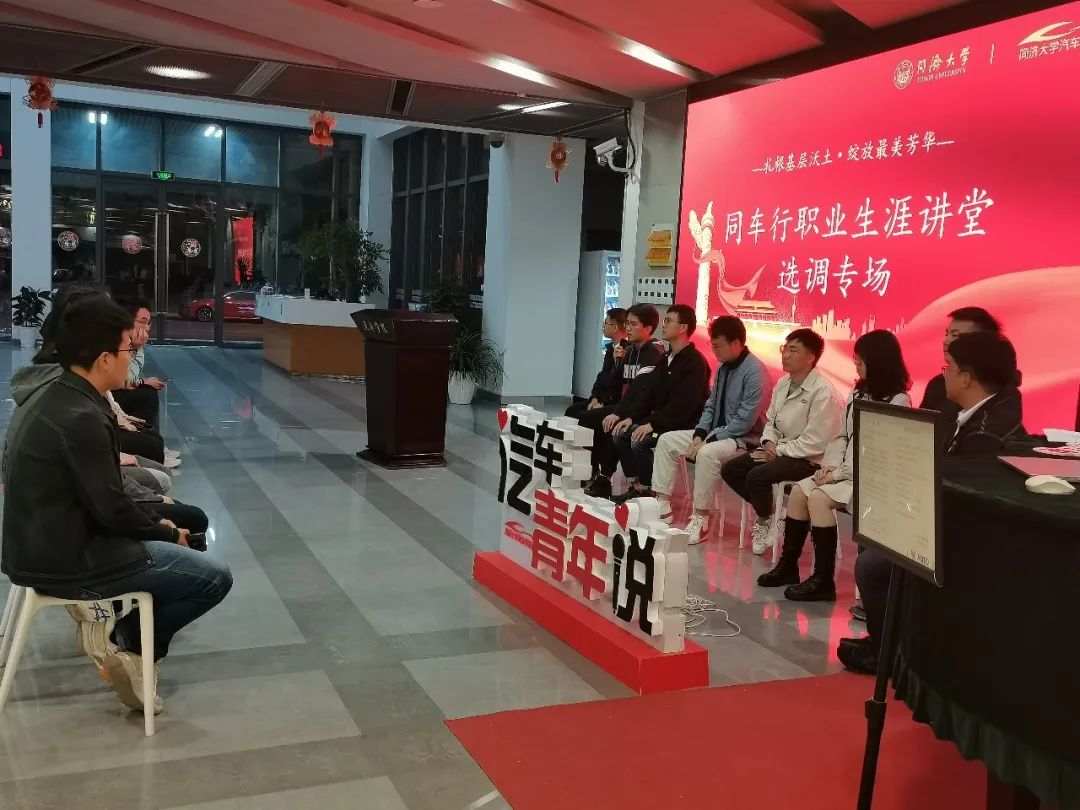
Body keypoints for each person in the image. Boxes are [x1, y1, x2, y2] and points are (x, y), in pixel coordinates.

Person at [1, 296, 231, 712]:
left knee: (181, 539)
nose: (132, 355)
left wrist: (159, 523)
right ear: (104, 358)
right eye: (128, 347)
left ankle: (131, 645)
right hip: (70, 559)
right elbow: (111, 508)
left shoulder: (52, 394)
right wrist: (166, 533)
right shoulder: (82, 416)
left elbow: (105, 499)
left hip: (37, 546)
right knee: (214, 578)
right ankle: (127, 643)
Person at [839, 330, 1028, 674]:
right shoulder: (969, 415)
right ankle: (888, 643)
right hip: (938, 520)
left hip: (959, 539)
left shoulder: (986, 432)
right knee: (874, 541)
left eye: (948, 367)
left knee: (872, 565)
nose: (944, 374)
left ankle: (890, 654)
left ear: (966, 377)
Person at [758, 330, 912, 601]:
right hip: (843, 472)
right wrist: (829, 467)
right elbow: (842, 436)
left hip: (871, 478)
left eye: (860, 358)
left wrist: (837, 474)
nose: (856, 363)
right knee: (799, 492)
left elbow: (878, 454)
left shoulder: (899, 401)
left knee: (818, 498)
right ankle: (788, 566)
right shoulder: (858, 392)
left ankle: (823, 579)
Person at [720, 328, 843, 555]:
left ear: (810, 358)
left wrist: (778, 450)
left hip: (811, 460)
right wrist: (768, 443)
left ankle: (766, 520)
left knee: (757, 476)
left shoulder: (823, 392)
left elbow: (815, 442)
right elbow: (771, 422)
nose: (785, 354)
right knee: (731, 469)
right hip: (781, 452)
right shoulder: (784, 383)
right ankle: (772, 515)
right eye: (784, 348)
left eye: (793, 350)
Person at [650, 315, 770, 545]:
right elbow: (711, 405)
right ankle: (662, 504)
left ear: (736, 343)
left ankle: (701, 518)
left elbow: (744, 422)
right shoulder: (723, 367)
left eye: (718, 346)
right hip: (715, 433)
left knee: (706, 453)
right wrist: (699, 434)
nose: (714, 351)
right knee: (666, 441)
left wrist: (709, 439)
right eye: (712, 345)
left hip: (743, 439)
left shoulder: (755, 373)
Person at [611, 304, 710, 504]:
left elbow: (683, 405)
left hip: (681, 425)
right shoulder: (665, 358)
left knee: (639, 441)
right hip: (660, 421)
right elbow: (649, 393)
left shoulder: (695, 363)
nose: (663, 326)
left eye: (668, 321)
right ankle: (635, 486)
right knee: (620, 433)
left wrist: (652, 424)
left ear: (683, 328)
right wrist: (632, 417)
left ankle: (649, 492)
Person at [578, 304, 667, 499]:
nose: (628, 328)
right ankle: (596, 472)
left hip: (643, 411)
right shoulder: (630, 350)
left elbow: (642, 393)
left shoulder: (653, 353)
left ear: (648, 329)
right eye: (627, 324)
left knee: (609, 424)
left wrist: (619, 413)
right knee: (586, 416)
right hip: (624, 406)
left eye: (633, 324)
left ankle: (605, 477)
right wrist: (618, 362)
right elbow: (614, 386)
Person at [919, 307, 1021, 429]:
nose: (946, 341)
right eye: (947, 334)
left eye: (955, 335)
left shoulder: (1003, 392)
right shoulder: (937, 385)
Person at [566, 308, 628, 421]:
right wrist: (595, 398)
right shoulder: (611, 349)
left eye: (605, 323)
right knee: (572, 410)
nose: (603, 327)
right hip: (602, 398)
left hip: (614, 403)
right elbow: (602, 376)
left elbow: (618, 385)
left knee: (585, 417)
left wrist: (603, 403)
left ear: (615, 327)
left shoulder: (627, 351)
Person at [112, 298, 166, 428]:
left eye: (149, 323)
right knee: (148, 396)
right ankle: (143, 434)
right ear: (126, 321)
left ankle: (148, 434)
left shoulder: (134, 342)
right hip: (105, 395)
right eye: (143, 322)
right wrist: (143, 382)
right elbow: (122, 380)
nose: (147, 328)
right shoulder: (114, 342)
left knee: (149, 392)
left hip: (117, 388)